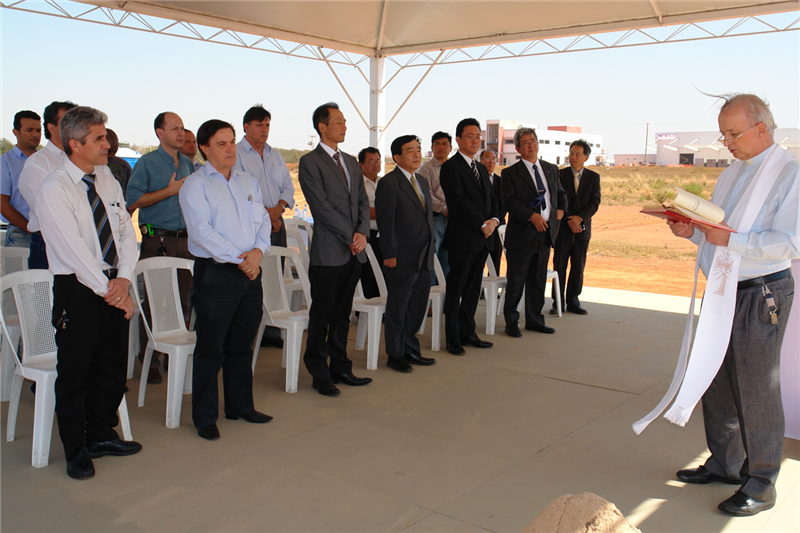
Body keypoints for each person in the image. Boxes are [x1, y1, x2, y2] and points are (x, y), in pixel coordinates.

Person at [666, 94, 798, 517]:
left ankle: (761, 482)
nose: (727, 142)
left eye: (733, 133)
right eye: (723, 133)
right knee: (717, 378)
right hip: (725, 287)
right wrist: (692, 232)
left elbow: (790, 242)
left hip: (761, 293)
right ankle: (726, 462)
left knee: (757, 388)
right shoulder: (734, 172)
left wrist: (731, 241)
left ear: (762, 128)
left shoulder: (790, 173)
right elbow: (717, 228)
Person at [36, 106, 141, 479]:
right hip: (79, 289)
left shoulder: (107, 179)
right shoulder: (55, 189)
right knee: (76, 374)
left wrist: (124, 280)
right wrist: (113, 292)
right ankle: (75, 449)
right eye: (99, 138)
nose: (107, 143)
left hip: (114, 283)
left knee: (112, 369)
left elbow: (126, 233)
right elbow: (74, 252)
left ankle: (100, 434)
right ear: (75, 143)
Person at [179, 119, 274, 441]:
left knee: (241, 344)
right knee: (211, 347)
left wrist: (258, 253)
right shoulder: (196, 185)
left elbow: (263, 221)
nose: (230, 148)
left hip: (250, 270)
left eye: (232, 141)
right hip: (217, 273)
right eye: (221, 144)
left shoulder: (248, 182)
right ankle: (205, 416)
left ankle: (240, 406)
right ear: (205, 148)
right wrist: (241, 259)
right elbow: (202, 232)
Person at [298, 102, 372, 396]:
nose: (344, 126)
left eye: (345, 122)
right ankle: (318, 371)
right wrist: (350, 236)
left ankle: (340, 366)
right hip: (330, 253)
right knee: (322, 315)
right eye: (338, 122)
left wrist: (362, 233)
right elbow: (322, 208)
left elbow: (363, 203)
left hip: (354, 251)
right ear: (322, 126)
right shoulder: (310, 162)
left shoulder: (352, 162)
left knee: (343, 314)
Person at [126, 111, 195, 385]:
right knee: (157, 301)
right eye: (174, 128)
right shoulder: (147, 163)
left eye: (183, 128)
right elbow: (132, 200)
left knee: (184, 301)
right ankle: (151, 360)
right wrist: (170, 190)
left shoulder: (188, 163)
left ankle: (174, 353)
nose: (180, 133)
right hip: (159, 240)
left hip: (186, 241)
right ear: (159, 132)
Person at [234, 105, 295, 348]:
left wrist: (278, 210)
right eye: (259, 125)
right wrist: (266, 215)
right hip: (250, 227)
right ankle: (248, 333)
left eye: (267, 125)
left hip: (276, 223)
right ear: (246, 127)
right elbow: (240, 192)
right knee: (251, 278)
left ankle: (270, 331)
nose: (264, 130)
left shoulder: (275, 155)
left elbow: (288, 189)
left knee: (274, 277)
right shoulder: (236, 154)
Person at [375, 135, 437, 373]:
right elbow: (386, 220)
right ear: (397, 157)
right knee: (398, 307)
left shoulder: (421, 180)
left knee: (417, 307)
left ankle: (411, 348)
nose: (416, 153)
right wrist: (389, 253)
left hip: (424, 255)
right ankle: (395, 354)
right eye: (410, 150)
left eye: (418, 149)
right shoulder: (389, 183)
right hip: (401, 256)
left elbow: (426, 218)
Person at [439, 118, 500, 355]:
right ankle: (453, 337)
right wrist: (481, 223)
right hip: (463, 238)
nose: (475, 141)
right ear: (458, 139)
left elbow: (492, 201)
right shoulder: (452, 167)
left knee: (474, 288)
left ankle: (468, 331)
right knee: (457, 287)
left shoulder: (481, 168)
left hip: (483, 237)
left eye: (478, 136)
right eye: (470, 136)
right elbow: (458, 201)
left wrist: (494, 221)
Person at [501, 127, 566, 337]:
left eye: (533, 140)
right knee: (517, 281)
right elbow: (509, 202)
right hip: (522, 235)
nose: (531, 145)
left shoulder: (550, 169)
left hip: (545, 234)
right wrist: (532, 215)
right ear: (519, 148)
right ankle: (511, 322)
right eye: (526, 142)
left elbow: (560, 195)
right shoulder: (510, 173)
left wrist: (558, 214)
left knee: (538, 280)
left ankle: (535, 320)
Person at [19, 100, 78, 269]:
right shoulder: (37, 164)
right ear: (52, 128)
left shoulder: (80, 160)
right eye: (68, 122)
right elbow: (50, 212)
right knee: (49, 295)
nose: (75, 127)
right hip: (49, 243)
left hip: (80, 242)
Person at [551, 139, 601, 315]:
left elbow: (595, 202)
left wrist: (580, 219)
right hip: (563, 228)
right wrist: (570, 220)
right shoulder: (558, 175)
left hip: (582, 228)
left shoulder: (593, 178)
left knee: (578, 266)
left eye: (577, 154)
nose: (573, 157)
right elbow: (557, 200)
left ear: (586, 157)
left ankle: (573, 301)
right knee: (560, 265)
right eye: (571, 153)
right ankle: (557, 302)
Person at [1, 111, 41, 253]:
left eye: (38, 130)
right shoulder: (5, 162)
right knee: (17, 275)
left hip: (47, 232)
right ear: (16, 132)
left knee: (45, 275)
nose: (35, 135)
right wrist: (29, 227)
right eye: (29, 130)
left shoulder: (44, 160)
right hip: (20, 234)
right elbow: (1, 203)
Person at [417, 131, 452, 280]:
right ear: (432, 147)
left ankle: (445, 297)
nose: (441, 147)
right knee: (433, 257)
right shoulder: (426, 169)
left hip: (454, 219)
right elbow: (427, 195)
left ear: (451, 148)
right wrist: (445, 208)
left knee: (448, 258)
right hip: (436, 218)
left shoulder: (454, 167)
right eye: (437, 144)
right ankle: (431, 297)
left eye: (445, 144)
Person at [358, 146, 383, 299]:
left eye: (378, 161)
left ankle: (382, 309)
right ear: (361, 164)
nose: (376, 164)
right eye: (371, 161)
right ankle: (365, 312)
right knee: (368, 274)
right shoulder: (358, 185)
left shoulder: (384, 182)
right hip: (367, 235)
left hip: (385, 235)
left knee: (382, 274)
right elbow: (364, 210)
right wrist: (386, 213)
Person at [480, 149, 506, 275]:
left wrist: (495, 221)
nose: (491, 162)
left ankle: (492, 292)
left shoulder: (502, 182)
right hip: (481, 226)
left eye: (494, 159)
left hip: (497, 226)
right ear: (481, 161)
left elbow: (504, 204)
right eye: (488, 158)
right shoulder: (476, 180)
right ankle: (479, 290)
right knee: (478, 261)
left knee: (495, 258)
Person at [104, 128, 131, 200]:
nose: (110, 155)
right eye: (108, 151)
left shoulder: (123, 166)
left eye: (114, 151)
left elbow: (132, 195)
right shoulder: (89, 167)